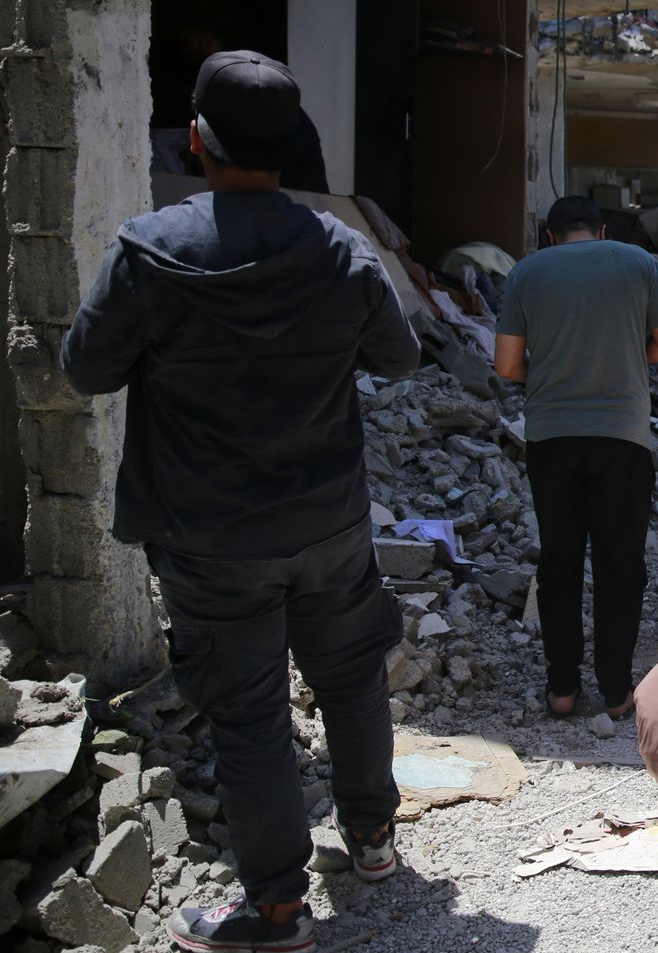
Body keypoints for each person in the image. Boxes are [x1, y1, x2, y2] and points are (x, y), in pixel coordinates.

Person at [61, 51, 420, 953]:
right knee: (348, 675)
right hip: (330, 520)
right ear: (292, 147)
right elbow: (399, 357)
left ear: (195, 140)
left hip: (209, 533)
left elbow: (84, 368)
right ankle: (372, 839)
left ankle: (273, 912)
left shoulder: (150, 250)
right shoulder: (337, 247)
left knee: (251, 711)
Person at [494, 196, 658, 720]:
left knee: (559, 562)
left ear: (550, 235)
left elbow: (507, 364)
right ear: (601, 231)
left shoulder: (526, 272)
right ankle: (618, 691)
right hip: (621, 436)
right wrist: (626, 353)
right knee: (619, 563)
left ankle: (561, 689)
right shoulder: (639, 263)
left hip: (551, 437)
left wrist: (555, 369)